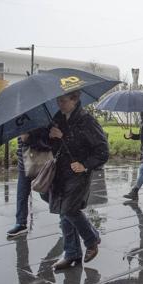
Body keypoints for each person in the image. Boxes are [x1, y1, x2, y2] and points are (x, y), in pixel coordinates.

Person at [49, 90, 109, 270]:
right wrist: (52, 138)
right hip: (60, 173)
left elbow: (102, 151)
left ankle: (92, 239)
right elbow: (56, 148)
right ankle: (71, 253)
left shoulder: (86, 120)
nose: (60, 104)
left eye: (63, 100)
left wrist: (85, 165)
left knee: (69, 210)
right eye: (58, 100)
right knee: (64, 214)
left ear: (75, 100)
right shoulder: (58, 119)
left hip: (79, 174)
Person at [6, 128, 52, 237]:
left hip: (42, 162)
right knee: (22, 194)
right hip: (24, 164)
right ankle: (21, 223)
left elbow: (48, 142)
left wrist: (29, 138)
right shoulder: (19, 120)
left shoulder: (42, 118)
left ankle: (64, 212)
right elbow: (20, 144)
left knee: (45, 194)